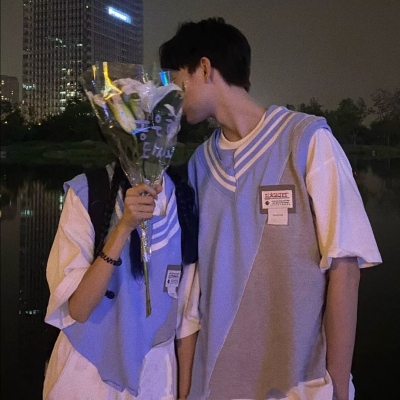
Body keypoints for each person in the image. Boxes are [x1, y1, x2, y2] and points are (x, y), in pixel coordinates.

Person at [159, 17, 382, 400]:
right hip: (215, 385)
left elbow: (345, 271)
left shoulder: (307, 140)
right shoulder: (198, 166)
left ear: (205, 69)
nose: (174, 98)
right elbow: (190, 294)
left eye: (178, 82)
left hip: (299, 385)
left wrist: (338, 387)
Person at [43, 160, 200, 400]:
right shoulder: (89, 191)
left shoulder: (184, 196)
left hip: (155, 378)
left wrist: (185, 394)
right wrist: (124, 226)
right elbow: (79, 309)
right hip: (87, 373)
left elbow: (186, 318)